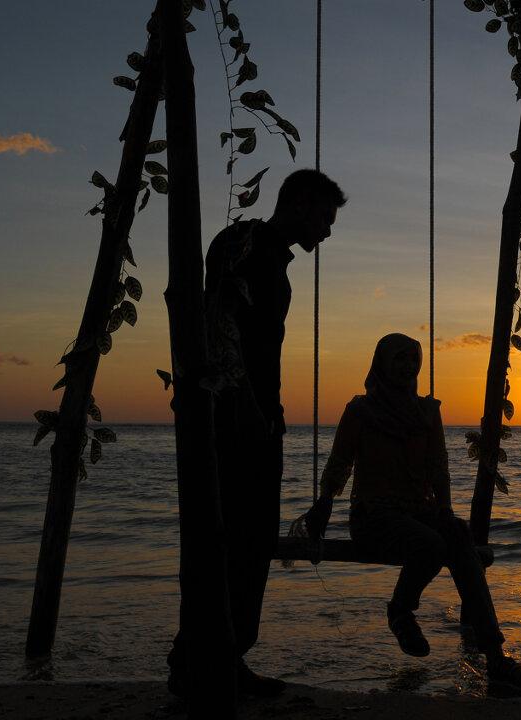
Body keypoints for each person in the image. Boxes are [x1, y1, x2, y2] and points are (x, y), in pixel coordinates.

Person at [168, 169, 347, 698]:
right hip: (234, 419)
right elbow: (218, 323)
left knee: (249, 543)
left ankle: (220, 657)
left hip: (259, 417)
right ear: (296, 205)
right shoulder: (243, 245)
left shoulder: (274, 260)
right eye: (324, 218)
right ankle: (202, 663)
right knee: (232, 542)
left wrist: (267, 413)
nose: (327, 232)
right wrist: (244, 404)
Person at [303, 333, 521, 697]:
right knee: (431, 544)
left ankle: (495, 657)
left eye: (412, 359)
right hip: (374, 518)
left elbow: (438, 468)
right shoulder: (360, 412)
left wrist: (445, 511)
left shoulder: (427, 413)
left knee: (458, 536)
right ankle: (400, 610)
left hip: (418, 513)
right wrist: (323, 502)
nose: (407, 367)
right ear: (381, 364)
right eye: (399, 359)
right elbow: (340, 464)